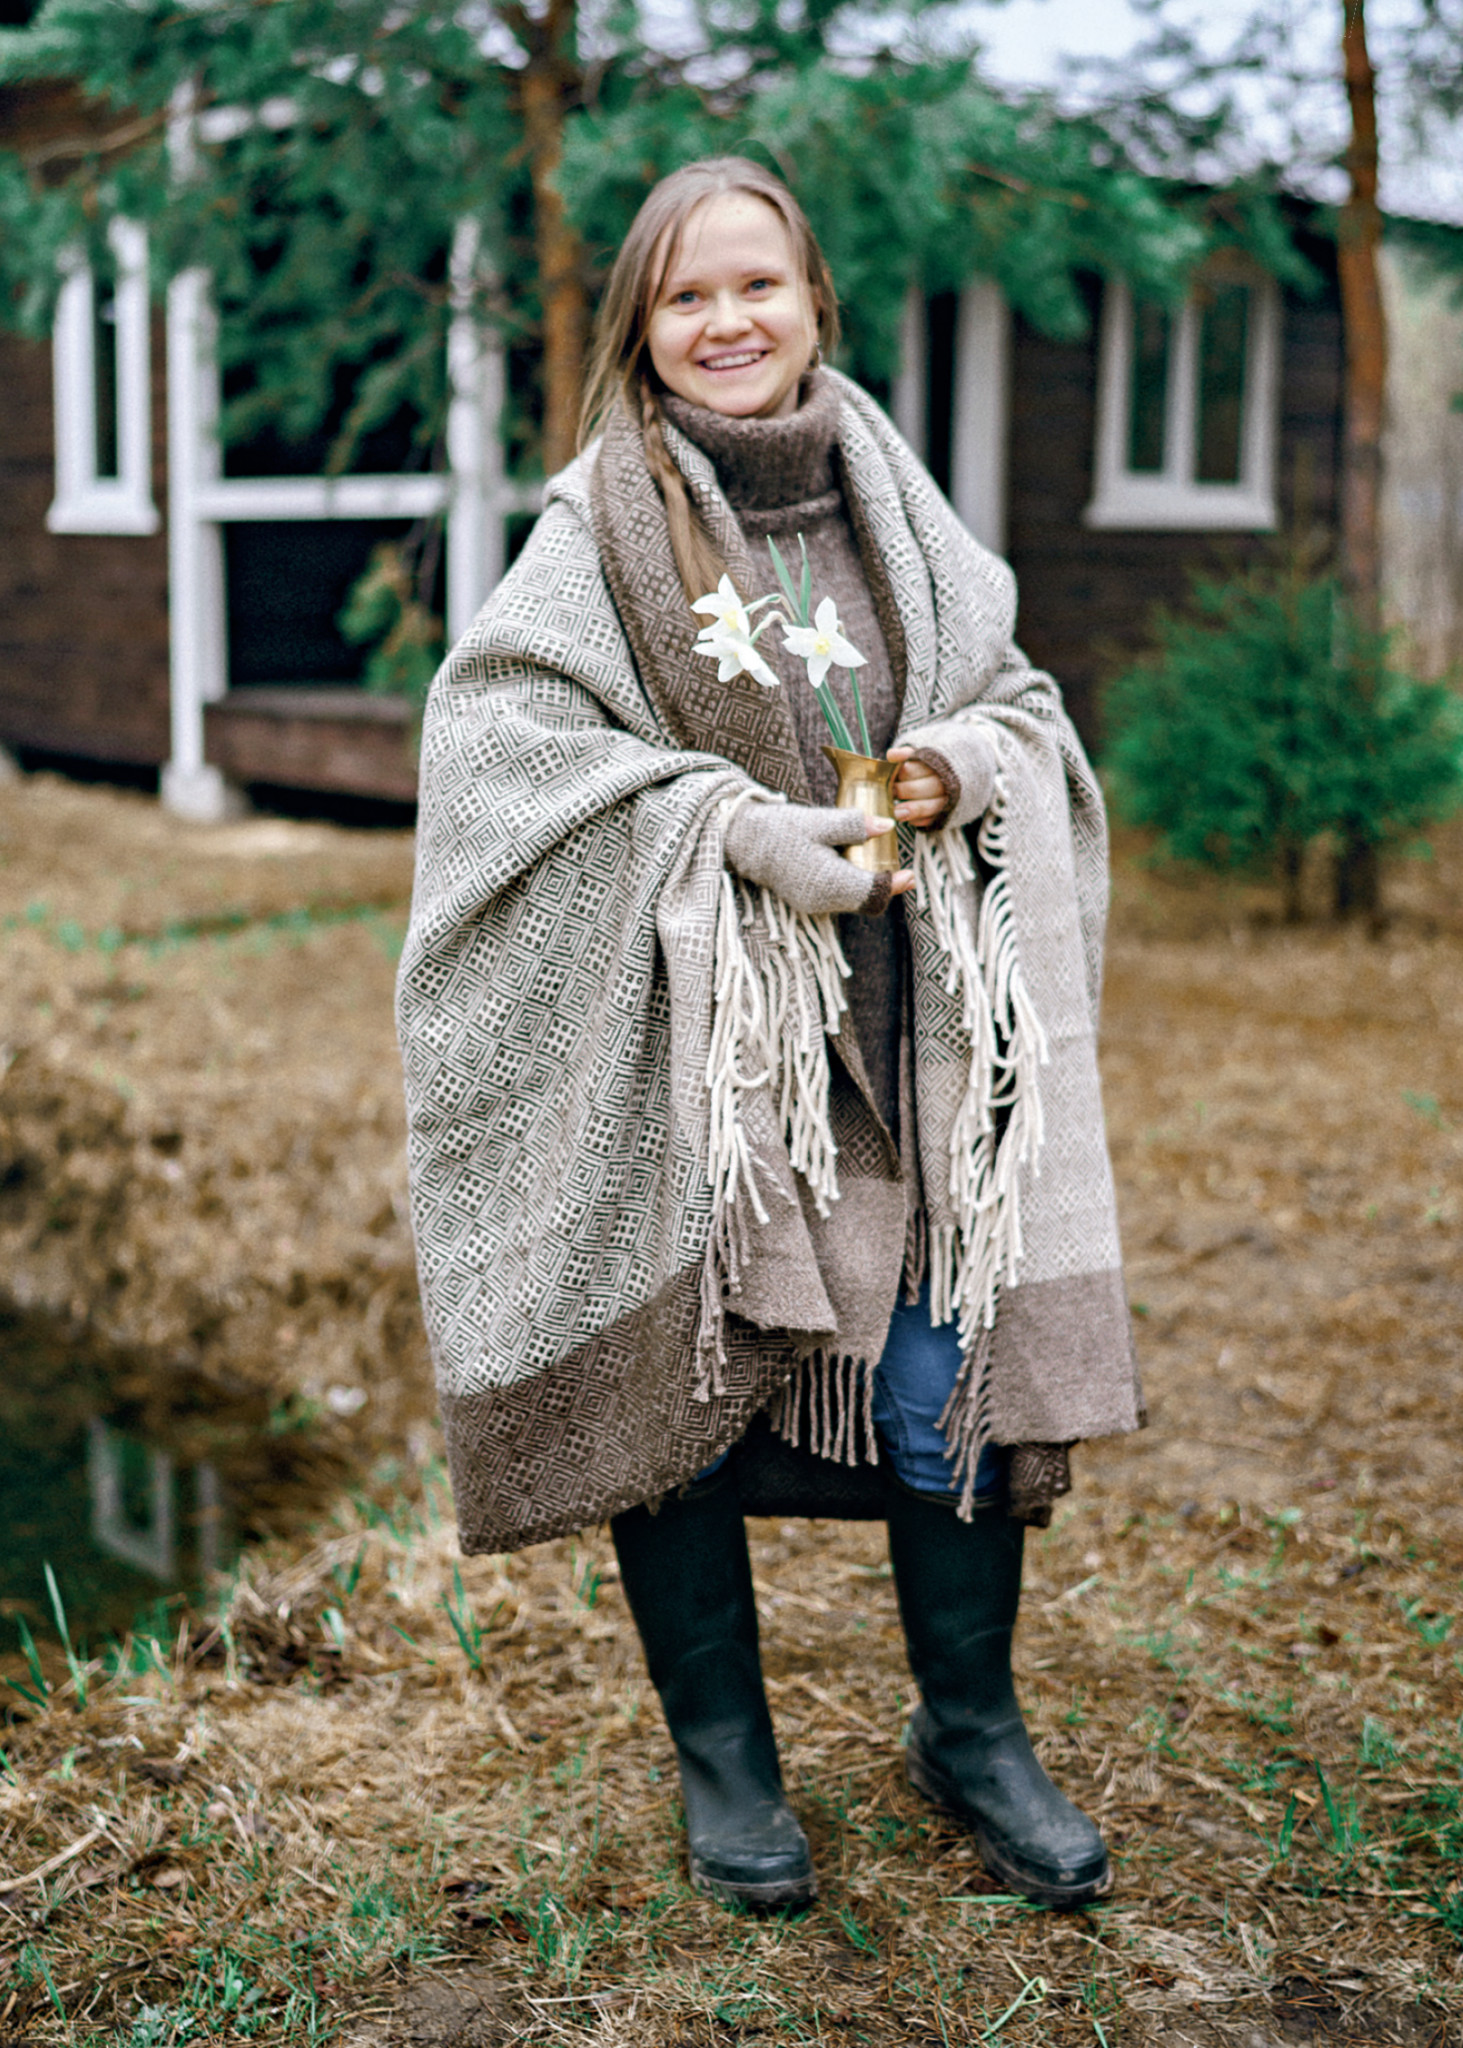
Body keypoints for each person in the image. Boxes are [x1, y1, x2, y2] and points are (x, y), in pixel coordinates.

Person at [397, 156, 1143, 1916]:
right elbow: (499, 755)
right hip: (708, 1054)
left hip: (921, 1030)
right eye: (687, 296)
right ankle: (725, 1762)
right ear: (641, 330)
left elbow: (1021, 700)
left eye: (757, 286)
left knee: (944, 1367)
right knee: (686, 1384)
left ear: (814, 301)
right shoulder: (598, 533)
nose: (727, 322)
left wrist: (960, 764)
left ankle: (971, 1730)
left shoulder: (898, 498)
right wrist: (728, 832)